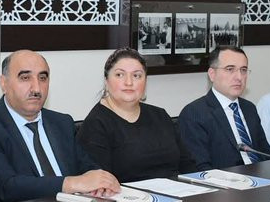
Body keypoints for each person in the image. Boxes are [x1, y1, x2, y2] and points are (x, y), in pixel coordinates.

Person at [0, 50, 119, 202]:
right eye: (25, 78)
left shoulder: (61, 123)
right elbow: (8, 187)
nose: (36, 88)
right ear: (4, 83)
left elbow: (89, 169)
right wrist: (71, 183)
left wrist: (99, 181)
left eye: (42, 78)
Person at [77, 48, 194, 182]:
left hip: (179, 191)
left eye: (136, 76)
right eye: (120, 75)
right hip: (127, 195)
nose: (129, 82)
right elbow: (101, 183)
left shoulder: (160, 115)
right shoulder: (96, 124)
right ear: (106, 81)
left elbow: (189, 166)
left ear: (145, 81)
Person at [178, 45, 270, 169]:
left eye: (243, 70)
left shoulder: (249, 108)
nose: (239, 77)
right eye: (230, 69)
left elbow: (267, 156)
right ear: (212, 74)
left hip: (259, 177)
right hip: (225, 180)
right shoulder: (194, 113)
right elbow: (200, 169)